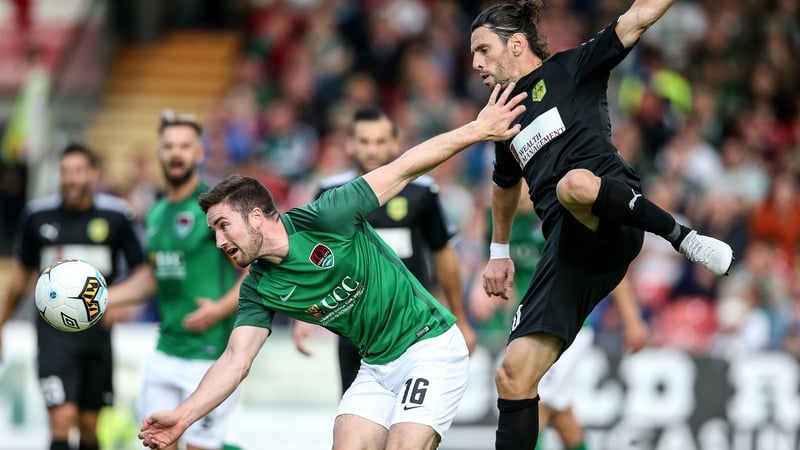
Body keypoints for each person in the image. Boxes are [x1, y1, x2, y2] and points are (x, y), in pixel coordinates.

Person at [137, 83, 527, 450]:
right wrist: (181, 418)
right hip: (376, 365)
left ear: (256, 217)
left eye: (224, 226)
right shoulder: (258, 286)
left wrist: (478, 130)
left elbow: (407, 166)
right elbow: (235, 360)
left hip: (429, 346)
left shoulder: (327, 215)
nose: (219, 241)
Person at [469, 1, 735, 448]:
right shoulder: (503, 115)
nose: (475, 63)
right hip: (568, 249)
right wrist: (498, 253)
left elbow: (638, 16)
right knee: (513, 375)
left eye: (482, 49)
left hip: (613, 215)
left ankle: (682, 237)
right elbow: (504, 184)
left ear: (516, 44)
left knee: (573, 184)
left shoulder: (572, 68)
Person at [292, 107, 477, 394]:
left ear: (395, 144)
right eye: (364, 141)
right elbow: (312, 257)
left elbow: (443, 252)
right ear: (350, 145)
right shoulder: (329, 193)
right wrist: (302, 316)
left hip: (414, 327)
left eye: (380, 142)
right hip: (355, 329)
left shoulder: (421, 191)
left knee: (410, 424)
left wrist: (460, 318)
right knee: (357, 426)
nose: (372, 149)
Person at [106, 110, 246, 450]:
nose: (176, 153)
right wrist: (100, 299)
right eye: (169, 146)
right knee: (157, 441)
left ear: (199, 153)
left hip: (210, 353)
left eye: (184, 146)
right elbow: (153, 278)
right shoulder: (156, 213)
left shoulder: (214, 208)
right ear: (159, 152)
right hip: (166, 349)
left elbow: (254, 267)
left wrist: (220, 308)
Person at [0, 143, 146, 450]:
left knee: (90, 426)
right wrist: (1, 322)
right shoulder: (37, 217)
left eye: (79, 171)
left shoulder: (116, 216)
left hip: (98, 333)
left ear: (93, 174)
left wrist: (120, 302)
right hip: (53, 334)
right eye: (65, 171)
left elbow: (142, 271)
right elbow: (22, 276)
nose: (71, 179)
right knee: (62, 418)